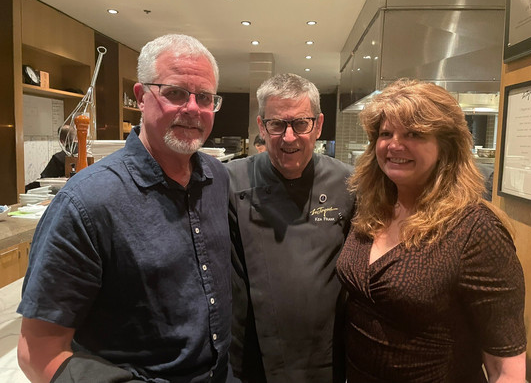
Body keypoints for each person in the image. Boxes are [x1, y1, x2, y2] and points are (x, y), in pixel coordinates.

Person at [17, 34, 239, 383]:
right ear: (141, 96)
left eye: (205, 97)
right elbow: (36, 352)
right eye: (175, 93)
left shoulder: (217, 178)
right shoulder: (86, 202)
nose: (193, 108)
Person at [336, 79, 526, 382]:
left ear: (446, 146)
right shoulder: (371, 209)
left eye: (413, 133)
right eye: (386, 134)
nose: (394, 144)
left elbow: (506, 368)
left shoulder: (476, 230)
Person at [226, 73, 355, 383]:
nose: (288, 137)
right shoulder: (229, 180)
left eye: (300, 124)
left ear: (318, 125)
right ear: (261, 126)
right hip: (251, 356)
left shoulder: (349, 184)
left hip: (324, 356)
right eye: (276, 124)